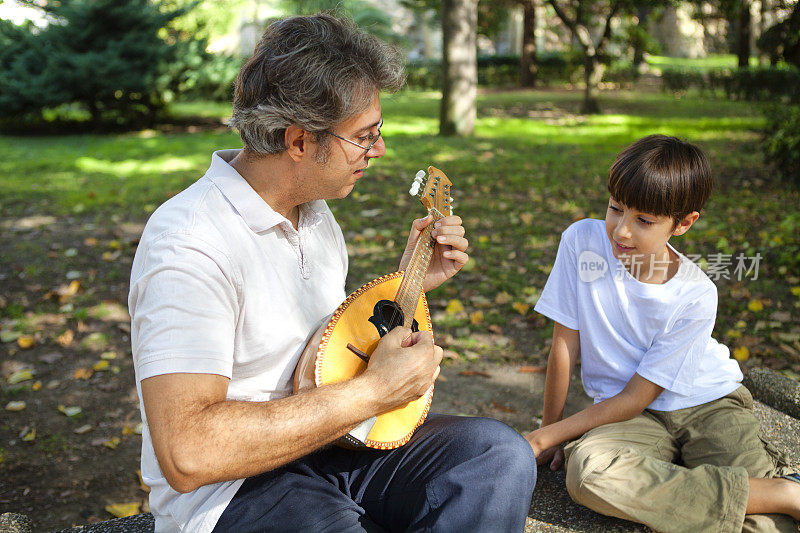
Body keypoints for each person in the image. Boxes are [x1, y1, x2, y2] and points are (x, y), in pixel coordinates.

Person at [128, 13, 536, 533]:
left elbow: (322, 354)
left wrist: (410, 283)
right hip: (231, 492)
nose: (380, 150)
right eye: (365, 137)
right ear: (298, 142)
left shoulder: (314, 213)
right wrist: (372, 395)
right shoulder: (189, 244)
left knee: (496, 457)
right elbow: (188, 451)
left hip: (334, 440)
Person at [525, 134, 800, 532]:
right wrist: (548, 433)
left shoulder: (696, 293)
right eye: (615, 209)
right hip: (627, 413)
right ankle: (781, 492)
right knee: (589, 473)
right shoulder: (582, 244)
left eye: (644, 221)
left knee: (763, 526)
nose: (621, 231)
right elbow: (564, 345)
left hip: (708, 402)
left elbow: (639, 395)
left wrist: (541, 438)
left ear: (684, 223)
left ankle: (780, 495)